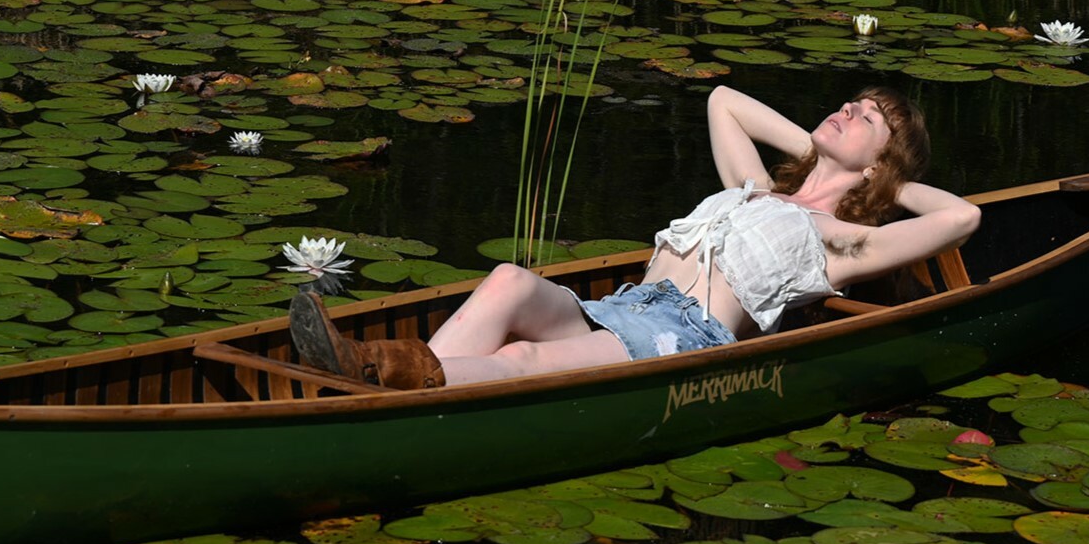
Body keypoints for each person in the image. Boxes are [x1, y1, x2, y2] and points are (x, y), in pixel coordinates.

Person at [290, 84, 981, 389]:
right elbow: (723, 101)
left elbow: (959, 218)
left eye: (864, 118)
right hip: (624, 309)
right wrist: (824, 151)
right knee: (508, 282)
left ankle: (379, 372)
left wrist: (883, 181)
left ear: (880, 161)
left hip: (680, 337)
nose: (845, 111)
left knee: (524, 357)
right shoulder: (755, 190)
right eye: (848, 103)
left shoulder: (838, 240)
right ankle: (396, 389)